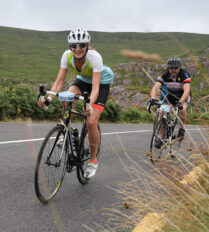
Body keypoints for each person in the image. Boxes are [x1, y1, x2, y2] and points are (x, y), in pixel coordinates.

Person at [38, 29, 114, 178]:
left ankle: (93, 161)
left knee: (91, 122)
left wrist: (89, 105)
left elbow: (96, 87)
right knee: (67, 97)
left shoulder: (95, 57)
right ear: (70, 46)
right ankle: (64, 129)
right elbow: (59, 81)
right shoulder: (66, 56)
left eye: (81, 45)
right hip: (83, 81)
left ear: (87, 45)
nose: (77, 49)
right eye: (74, 45)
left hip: (101, 84)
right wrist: (48, 99)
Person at [148, 57, 191, 148]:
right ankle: (160, 138)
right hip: (171, 96)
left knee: (182, 109)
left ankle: (181, 129)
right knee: (161, 111)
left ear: (179, 67)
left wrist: (180, 102)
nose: (173, 70)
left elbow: (187, 91)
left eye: (175, 68)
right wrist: (152, 98)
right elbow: (156, 87)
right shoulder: (165, 74)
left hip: (183, 96)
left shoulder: (184, 74)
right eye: (171, 68)